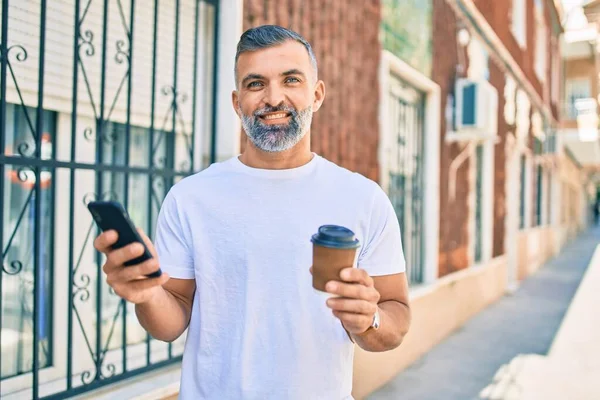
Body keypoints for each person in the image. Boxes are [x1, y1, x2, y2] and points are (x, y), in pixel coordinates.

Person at [94, 25, 411, 399]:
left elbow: (396, 318)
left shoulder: (363, 197)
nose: (273, 98)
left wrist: (368, 319)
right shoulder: (190, 198)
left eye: (291, 80)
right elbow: (170, 321)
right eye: (256, 84)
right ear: (236, 101)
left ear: (317, 93)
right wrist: (145, 293)